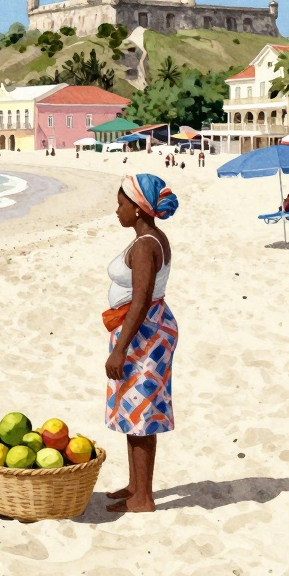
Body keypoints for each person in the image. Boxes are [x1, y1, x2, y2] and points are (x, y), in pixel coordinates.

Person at [102, 174, 179, 513]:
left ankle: (143, 498)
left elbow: (141, 300)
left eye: (121, 204)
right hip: (142, 331)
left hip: (144, 335)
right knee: (134, 411)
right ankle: (136, 486)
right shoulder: (148, 238)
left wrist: (120, 349)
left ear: (137, 208)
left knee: (142, 413)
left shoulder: (147, 244)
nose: (117, 211)